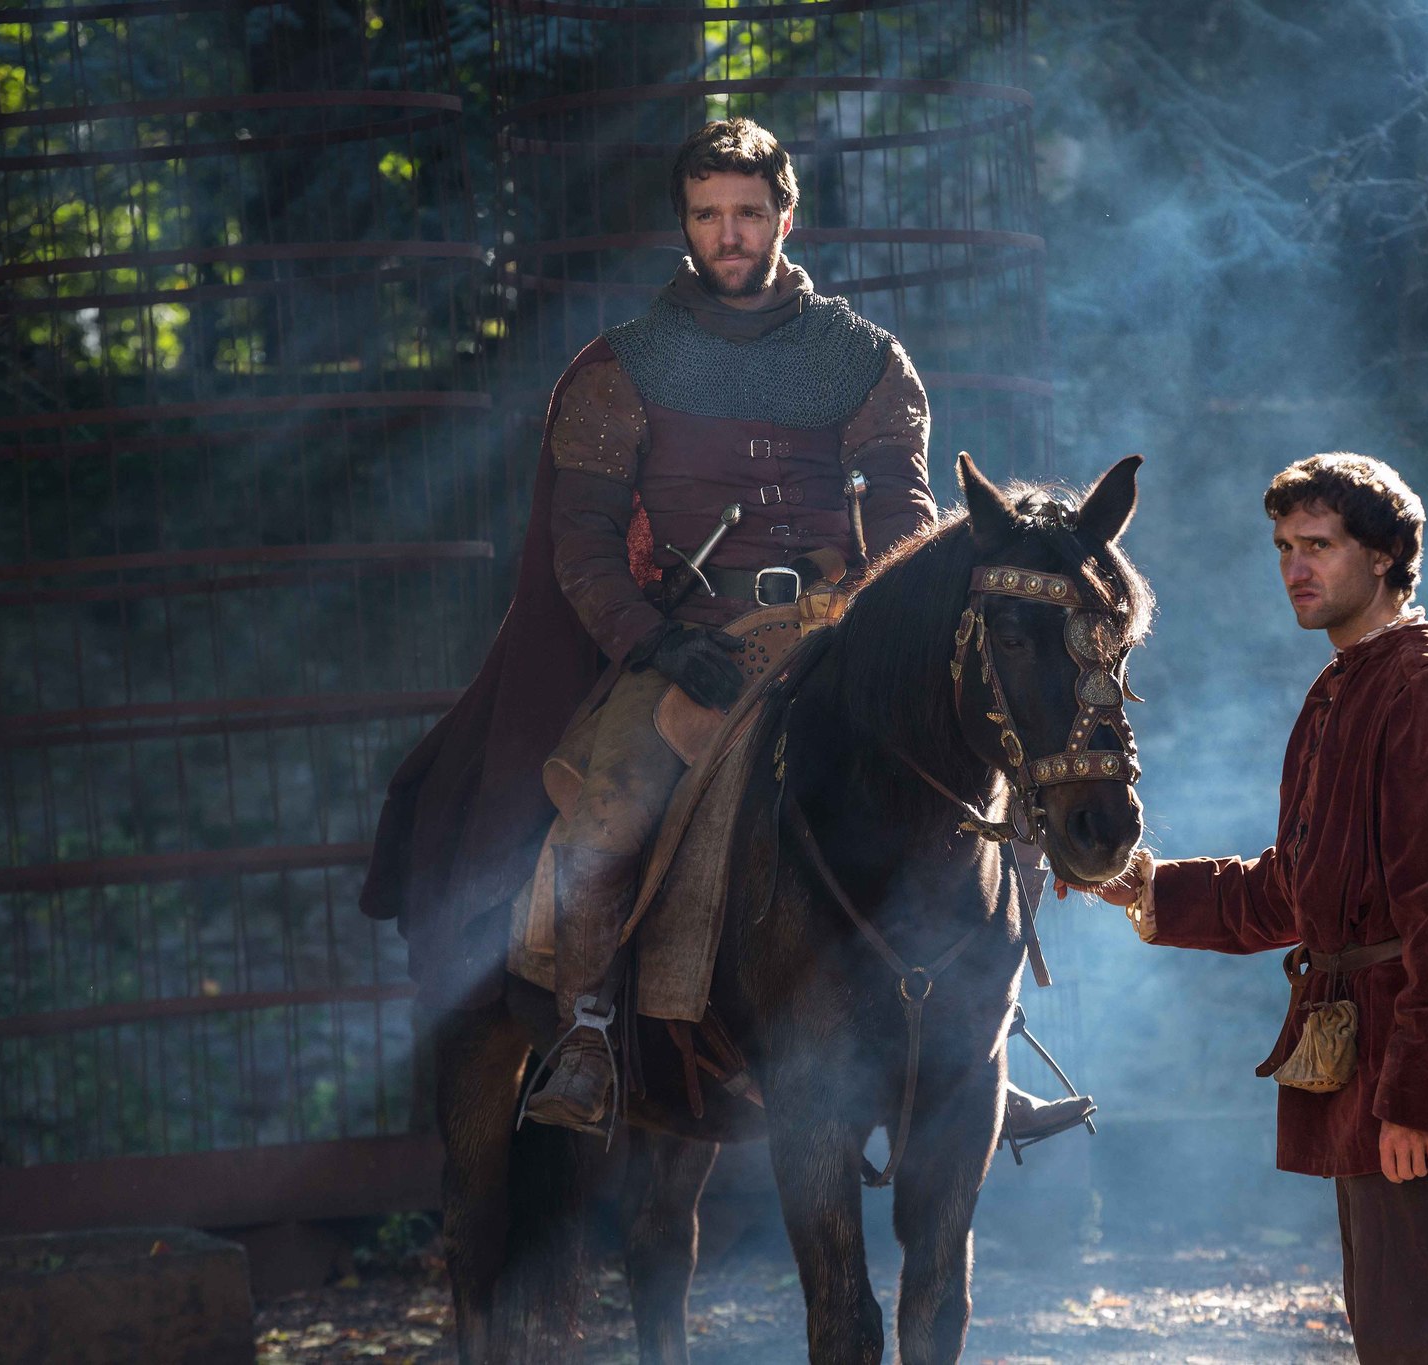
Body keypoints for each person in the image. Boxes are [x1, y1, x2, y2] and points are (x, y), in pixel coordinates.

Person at [363, 117, 1095, 1142]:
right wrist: (654, 643)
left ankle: (980, 1046)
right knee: (600, 821)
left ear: (784, 216)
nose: (730, 234)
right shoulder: (620, 372)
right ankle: (583, 1032)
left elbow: (902, 518)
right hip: (687, 647)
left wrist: (887, 637)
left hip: (837, 637)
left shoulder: (867, 361)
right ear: (685, 225)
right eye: (708, 215)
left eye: (748, 213)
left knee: (984, 791)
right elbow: (579, 547)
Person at [1063, 453, 1428, 1362]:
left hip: (1412, 1045)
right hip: (1362, 1042)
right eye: (1284, 546)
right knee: (1390, 1319)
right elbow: (1295, 890)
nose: (1295, 566)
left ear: (1382, 557)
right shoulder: (1345, 685)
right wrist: (1144, 885)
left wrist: (1418, 1098)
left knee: (1427, 1325)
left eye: (1319, 545)